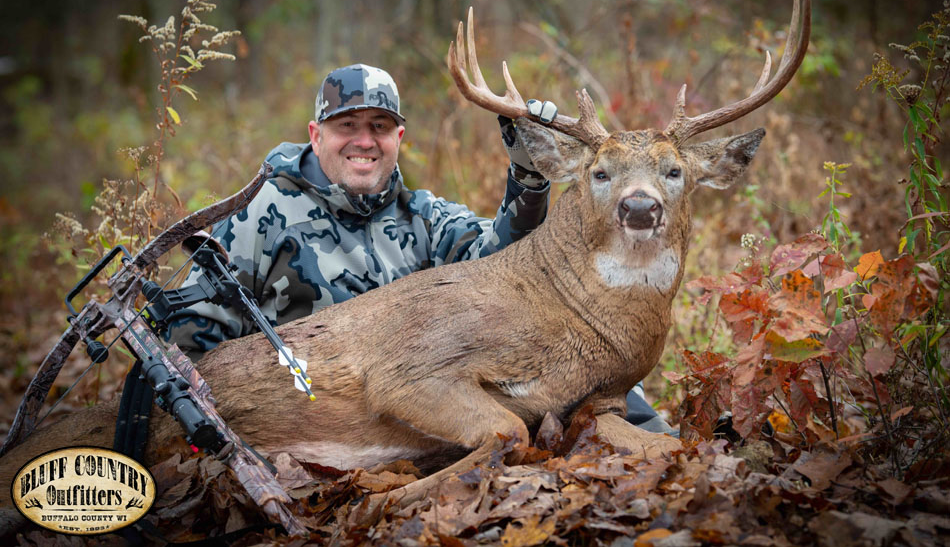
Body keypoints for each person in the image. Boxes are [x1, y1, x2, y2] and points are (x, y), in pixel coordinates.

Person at [166, 63, 673, 435]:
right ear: (315, 135)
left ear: (399, 137)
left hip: (434, 397)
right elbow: (189, 344)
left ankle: (662, 442)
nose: (364, 141)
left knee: (577, 361)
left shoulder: (424, 215)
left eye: (379, 128)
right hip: (315, 405)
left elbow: (506, 269)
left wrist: (529, 174)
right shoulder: (258, 213)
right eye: (347, 126)